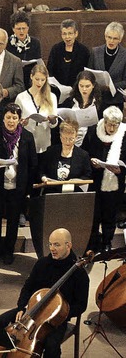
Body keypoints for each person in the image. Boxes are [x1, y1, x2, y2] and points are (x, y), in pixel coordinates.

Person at [0, 228, 89, 358]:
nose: (52, 248)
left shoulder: (79, 274)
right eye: (50, 244)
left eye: (57, 244)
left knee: (52, 346)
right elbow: (27, 287)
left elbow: (81, 305)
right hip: (30, 311)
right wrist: (21, 308)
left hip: (54, 321)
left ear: (68, 245)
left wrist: (58, 313)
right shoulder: (43, 263)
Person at [0, 103, 37, 264]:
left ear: (20, 119)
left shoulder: (27, 137)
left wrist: (28, 189)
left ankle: (8, 251)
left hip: (17, 187)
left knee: (13, 221)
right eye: (8, 117)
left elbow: (32, 164)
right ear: (3, 118)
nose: (11, 121)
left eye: (14, 118)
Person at [81, 106, 126, 252]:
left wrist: (121, 169)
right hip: (96, 179)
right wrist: (92, 162)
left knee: (110, 214)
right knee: (93, 215)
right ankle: (92, 243)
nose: (112, 128)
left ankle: (107, 242)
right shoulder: (94, 132)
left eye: (115, 125)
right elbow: (84, 153)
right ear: (104, 121)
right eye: (110, 124)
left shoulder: (123, 135)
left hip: (115, 182)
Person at [38, 120, 92, 193]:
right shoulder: (51, 151)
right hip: (52, 192)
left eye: (71, 139)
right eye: (64, 138)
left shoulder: (83, 155)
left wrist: (78, 180)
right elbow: (41, 170)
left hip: (73, 193)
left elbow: (87, 175)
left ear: (76, 137)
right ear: (60, 136)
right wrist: (44, 178)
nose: (67, 142)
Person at [15, 64, 58, 155]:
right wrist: (22, 123)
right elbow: (15, 121)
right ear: (31, 76)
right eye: (37, 79)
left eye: (43, 80)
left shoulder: (51, 97)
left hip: (44, 143)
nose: (39, 83)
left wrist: (52, 120)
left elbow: (53, 125)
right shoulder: (21, 97)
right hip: (26, 142)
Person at [60, 70, 107, 145]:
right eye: (81, 86)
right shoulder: (70, 101)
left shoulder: (100, 104)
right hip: (69, 139)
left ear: (93, 85)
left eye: (87, 86)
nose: (84, 89)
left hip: (89, 143)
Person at [47, 19, 90, 87]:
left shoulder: (84, 51)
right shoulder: (56, 49)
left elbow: (86, 73)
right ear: (61, 35)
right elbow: (50, 70)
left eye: (70, 33)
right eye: (64, 34)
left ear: (76, 34)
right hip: (57, 88)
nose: (67, 37)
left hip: (77, 89)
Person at [7, 11, 42, 86]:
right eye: (18, 29)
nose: (22, 31)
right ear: (13, 29)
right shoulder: (7, 43)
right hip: (12, 78)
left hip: (30, 77)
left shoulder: (35, 42)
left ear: (28, 28)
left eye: (24, 28)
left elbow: (38, 62)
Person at [88, 22, 126, 93]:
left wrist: (111, 87)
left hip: (116, 97)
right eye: (109, 37)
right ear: (105, 36)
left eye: (115, 38)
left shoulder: (124, 55)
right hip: (97, 96)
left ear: (120, 40)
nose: (111, 41)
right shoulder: (95, 52)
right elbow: (88, 74)